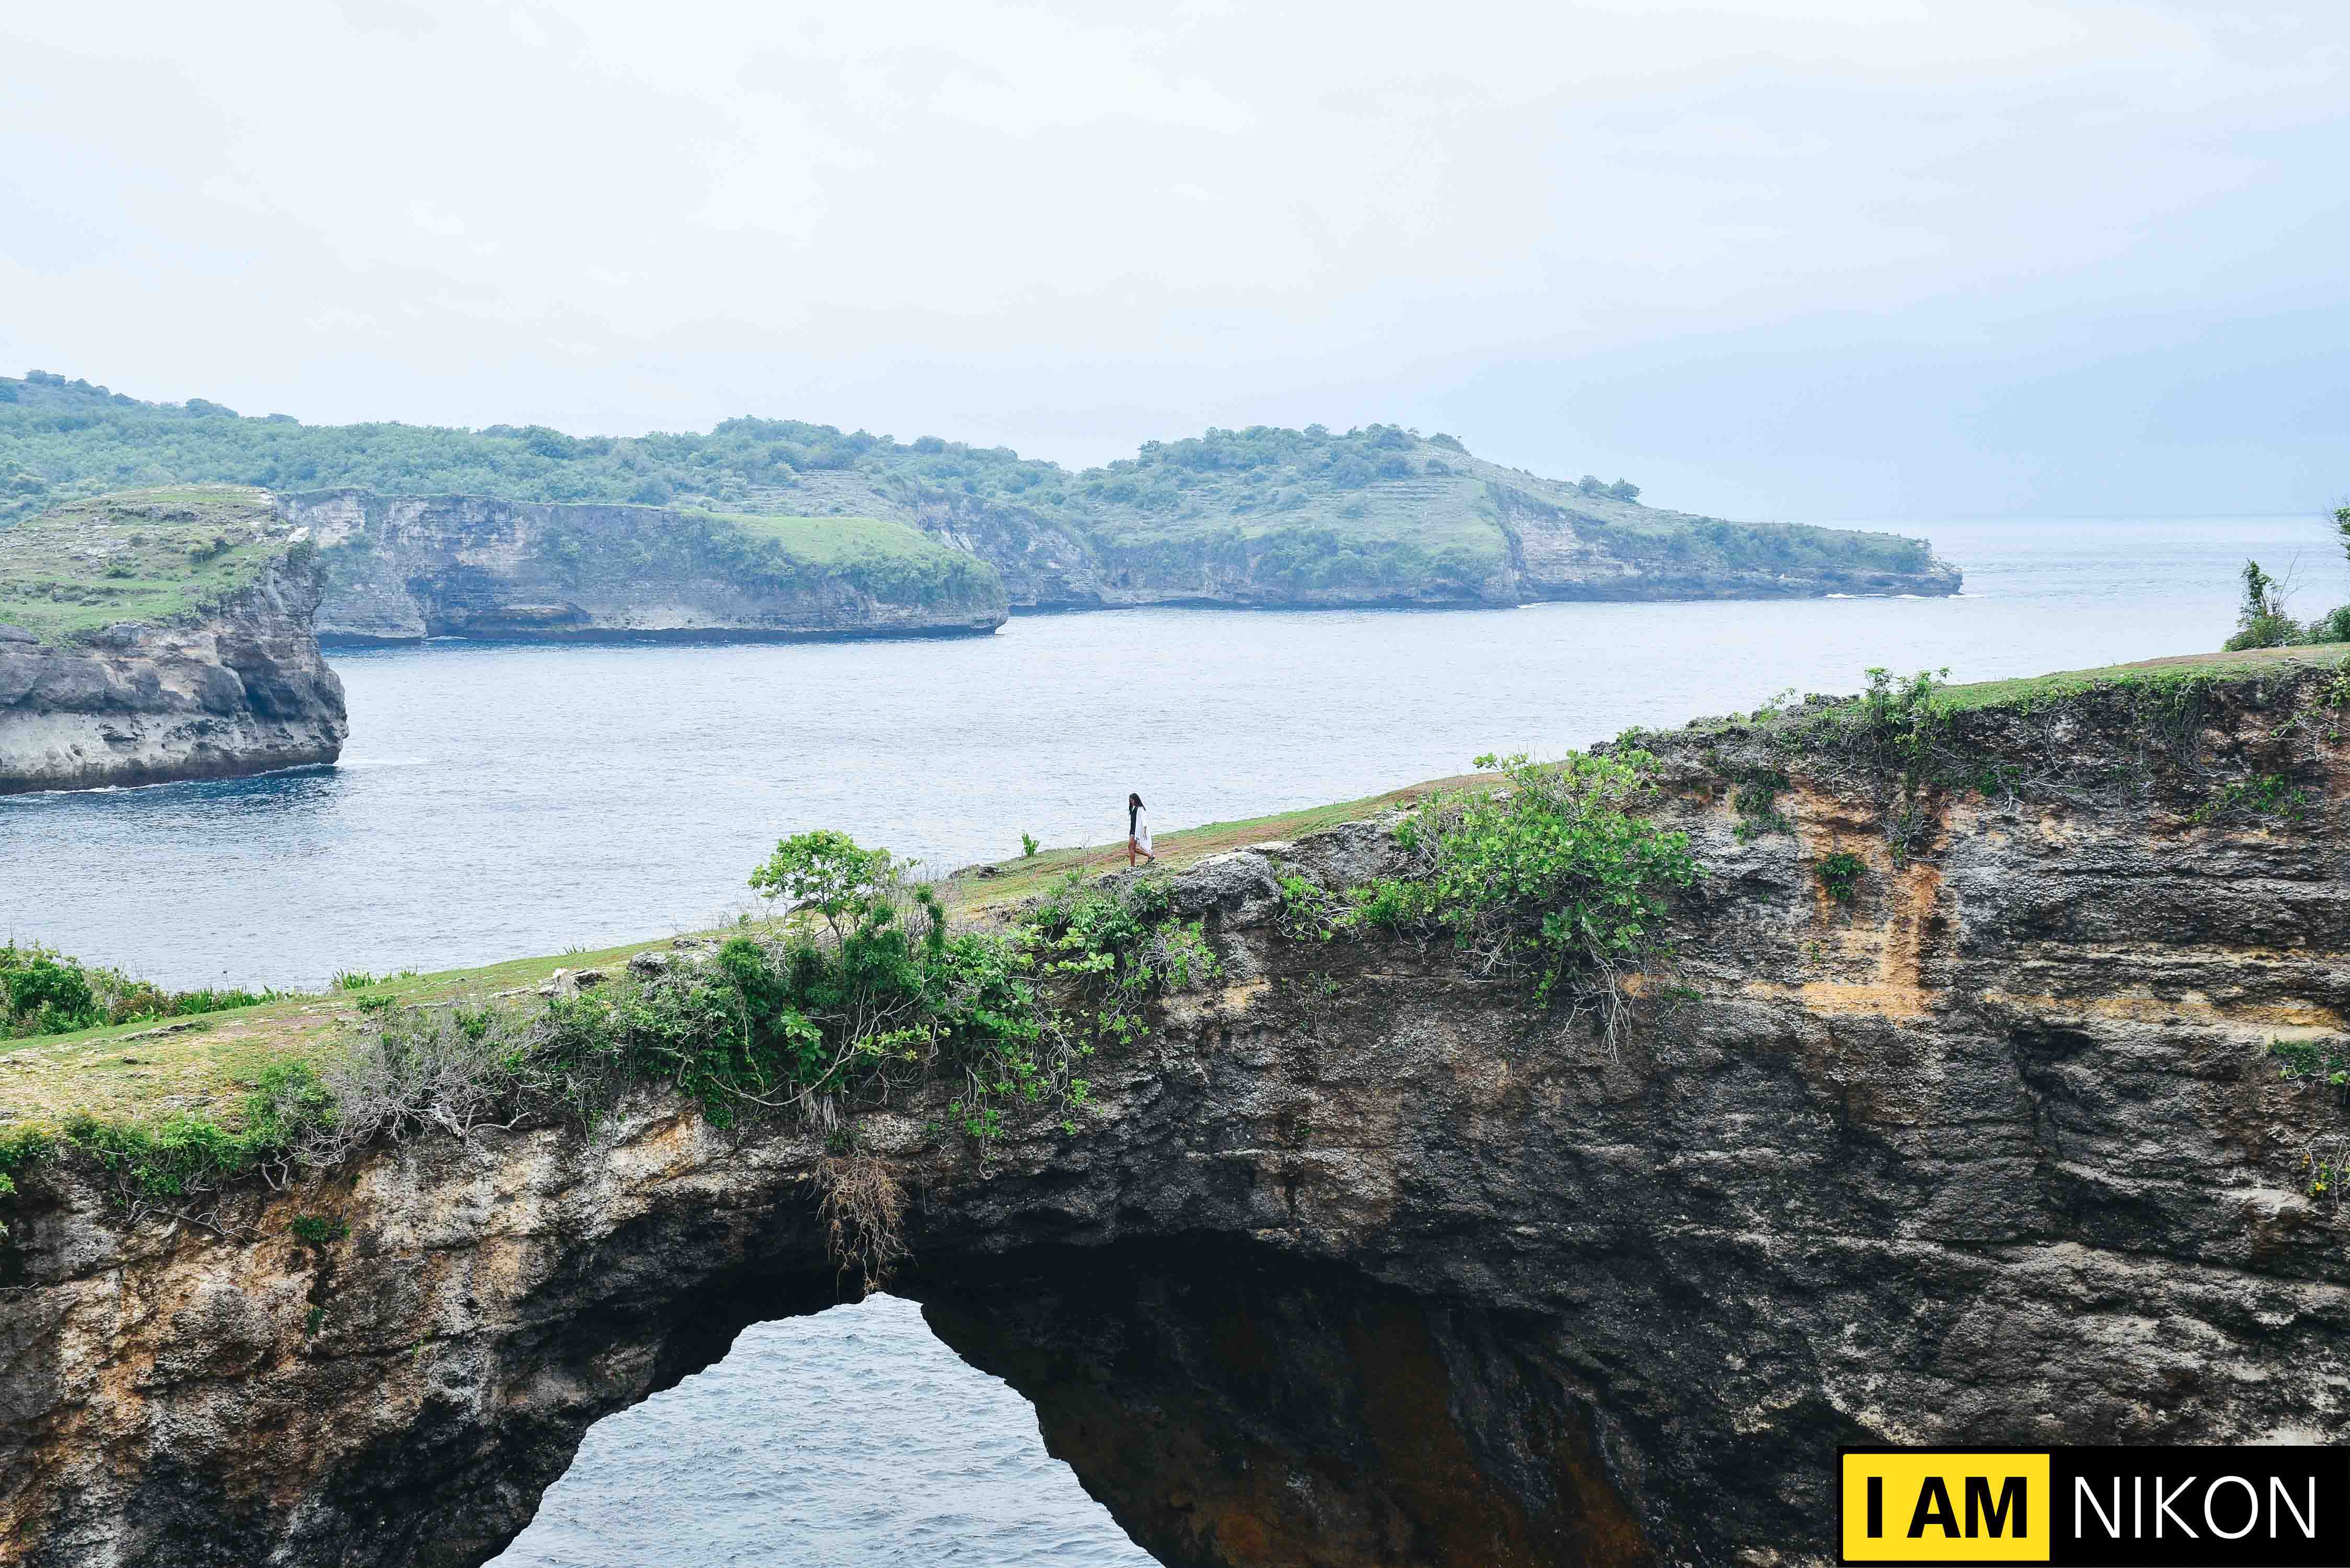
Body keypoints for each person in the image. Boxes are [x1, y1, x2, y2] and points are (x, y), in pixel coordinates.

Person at [1126, 792, 1155, 867]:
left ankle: (1133, 866)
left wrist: (1144, 832)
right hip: (1132, 830)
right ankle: (1149, 855)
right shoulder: (1134, 808)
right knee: (1132, 848)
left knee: (1131, 847)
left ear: (1136, 800)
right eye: (1131, 801)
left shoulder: (1140, 809)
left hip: (1136, 831)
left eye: (1132, 801)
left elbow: (1144, 821)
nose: (1132, 803)